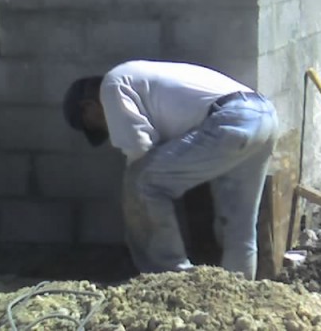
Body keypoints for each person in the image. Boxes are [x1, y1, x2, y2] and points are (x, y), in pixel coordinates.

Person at [63, 60, 278, 280]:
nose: (105, 128)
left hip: (231, 119)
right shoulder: (137, 78)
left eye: (93, 124)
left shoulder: (111, 85)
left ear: (87, 106)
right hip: (264, 116)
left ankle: (170, 278)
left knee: (141, 181)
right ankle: (240, 294)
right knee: (238, 225)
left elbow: (139, 149)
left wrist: (135, 198)